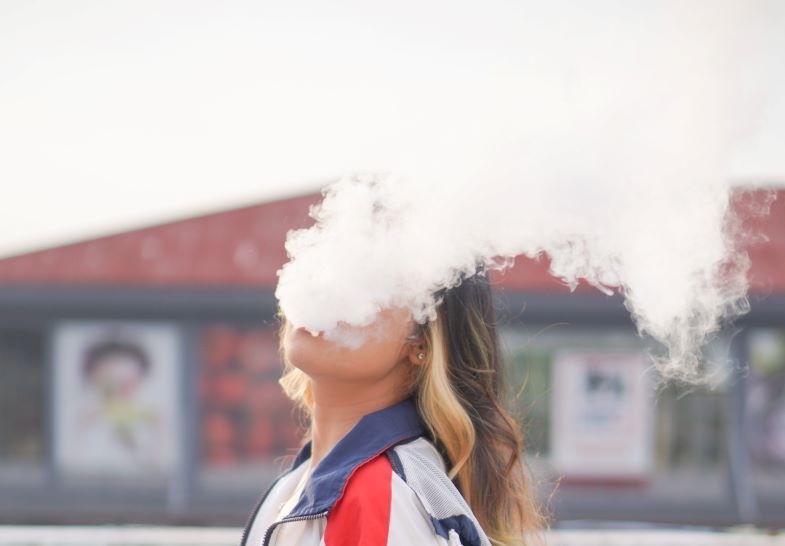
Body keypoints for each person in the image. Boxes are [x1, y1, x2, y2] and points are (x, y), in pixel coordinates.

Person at [239, 272, 545, 546]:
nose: (327, 287)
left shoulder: (375, 493)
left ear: (421, 341)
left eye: (370, 275)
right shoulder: (301, 483)